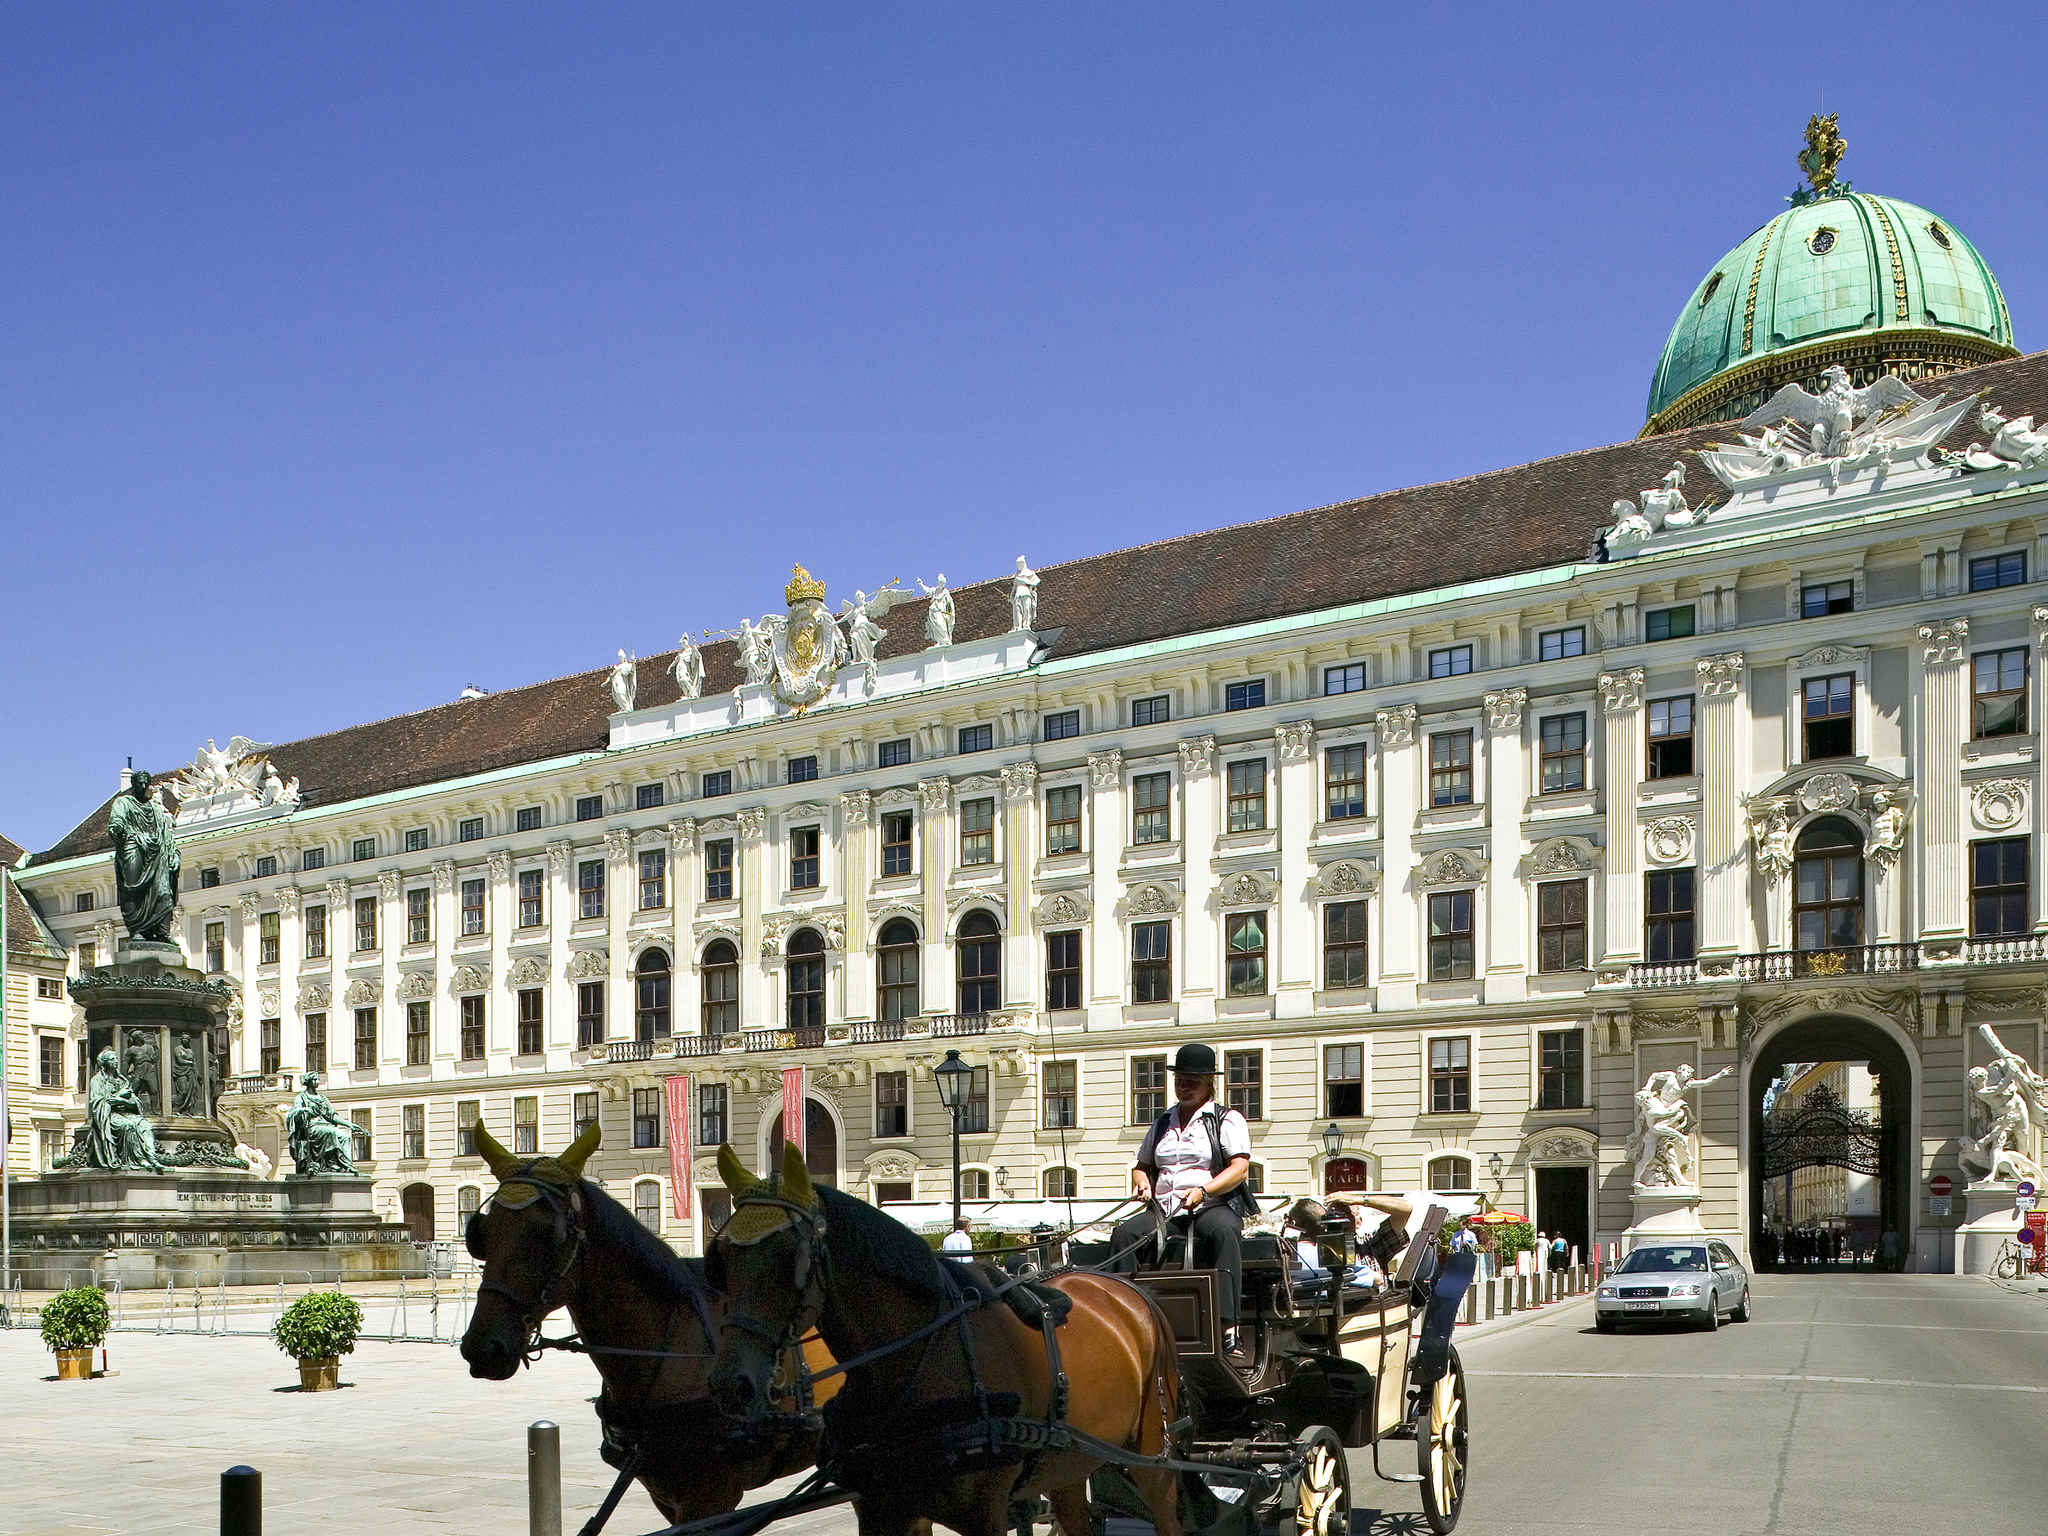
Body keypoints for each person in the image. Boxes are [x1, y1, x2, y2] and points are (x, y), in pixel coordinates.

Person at [1108, 1042, 1256, 1346]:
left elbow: (1239, 1168)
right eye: (1179, 1081)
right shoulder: (1163, 1121)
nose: (1184, 1087)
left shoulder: (1226, 1119)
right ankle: (1123, 1317)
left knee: (1226, 1230)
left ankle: (1228, 1325)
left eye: (1192, 1082)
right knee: (1124, 1235)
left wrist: (1203, 1190)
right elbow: (1142, 1165)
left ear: (1208, 1084)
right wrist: (1142, 1184)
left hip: (1210, 1205)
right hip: (1165, 1209)